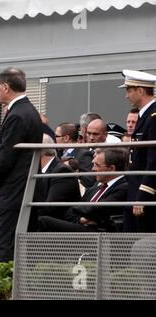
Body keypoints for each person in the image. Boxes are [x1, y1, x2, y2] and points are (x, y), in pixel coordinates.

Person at [0, 67, 43, 262]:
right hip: (24, 186)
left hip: (15, 188)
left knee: (7, 244)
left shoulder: (18, 115)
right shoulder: (29, 111)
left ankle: (7, 290)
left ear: (5, 87)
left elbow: (5, 157)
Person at [38, 147, 128, 232]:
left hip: (101, 233)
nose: (93, 169)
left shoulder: (123, 188)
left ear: (112, 168)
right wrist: (81, 219)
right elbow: (68, 213)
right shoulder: (94, 189)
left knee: (44, 221)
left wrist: (80, 211)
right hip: (83, 229)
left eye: (97, 165)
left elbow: (97, 210)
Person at [120, 69, 156, 232]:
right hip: (136, 189)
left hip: (146, 193)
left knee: (143, 246)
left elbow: (153, 160)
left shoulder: (153, 117)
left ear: (140, 90)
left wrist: (143, 195)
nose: (126, 96)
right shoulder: (146, 115)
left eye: (129, 90)